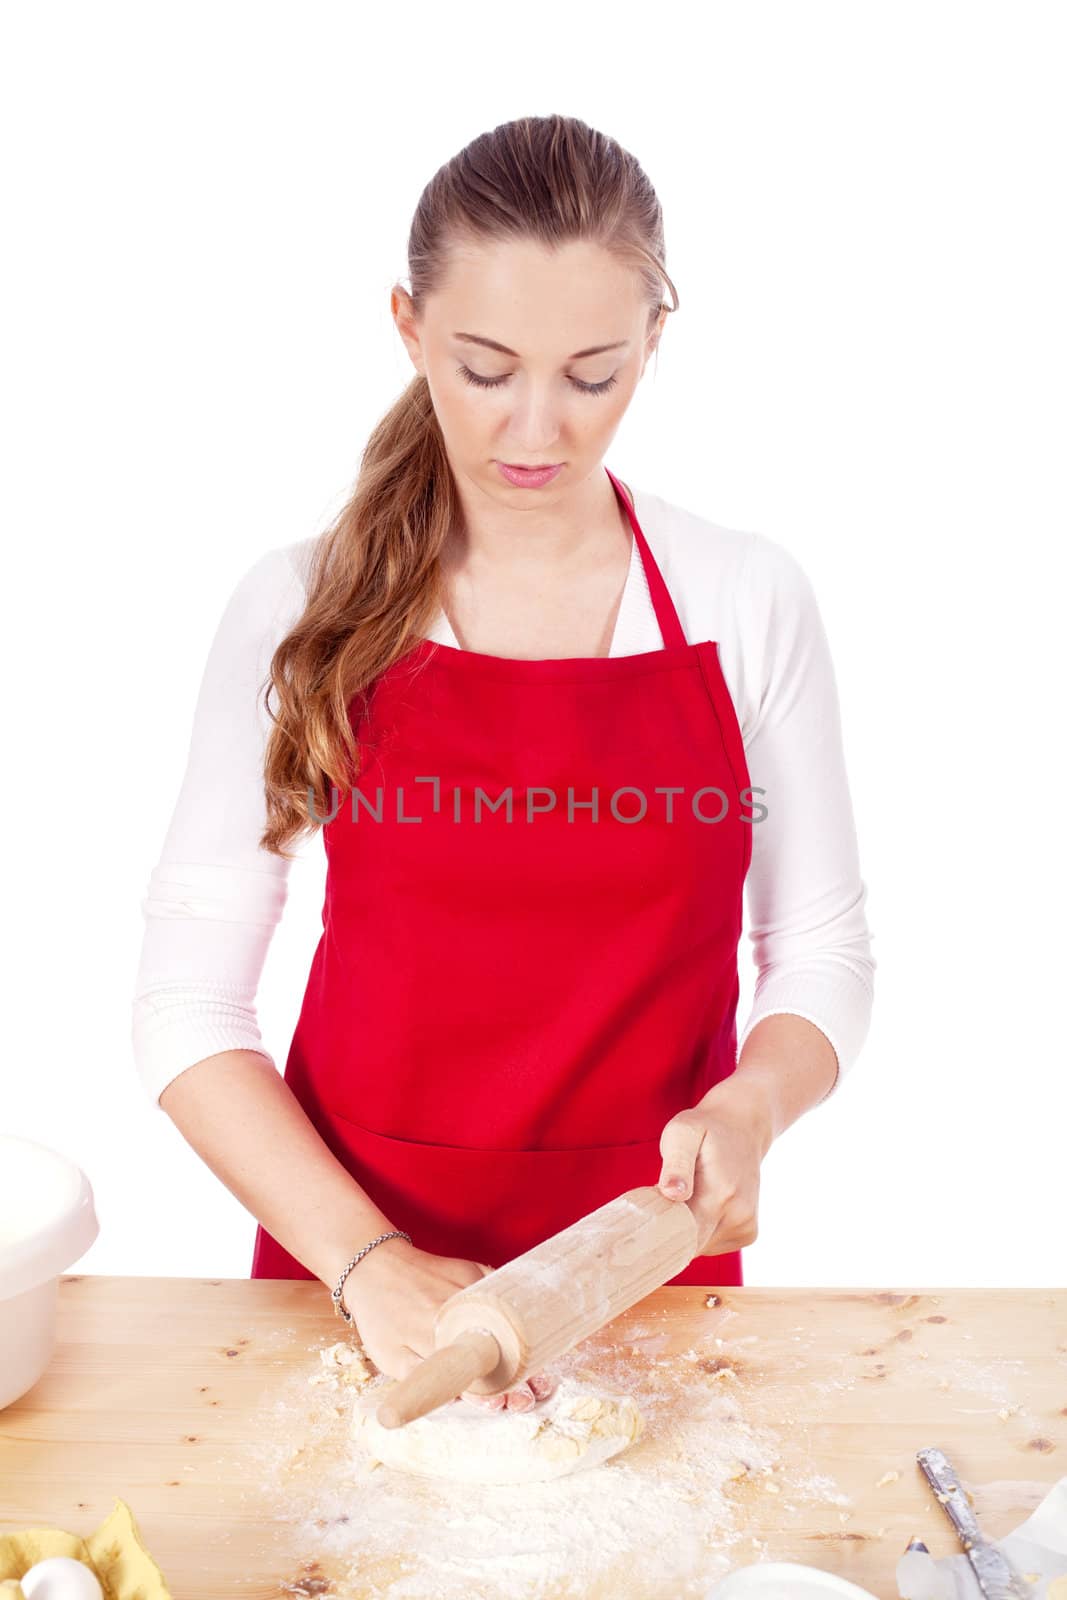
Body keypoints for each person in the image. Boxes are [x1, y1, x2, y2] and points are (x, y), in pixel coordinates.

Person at [131, 114, 874, 1411]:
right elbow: (187, 1007)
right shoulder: (299, 610)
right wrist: (371, 1265)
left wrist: (755, 1106)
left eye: (591, 374)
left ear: (656, 338)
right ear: (409, 327)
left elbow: (819, 952)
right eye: (485, 367)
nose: (536, 427)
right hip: (351, 1273)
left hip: (645, 1267)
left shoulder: (743, 598)